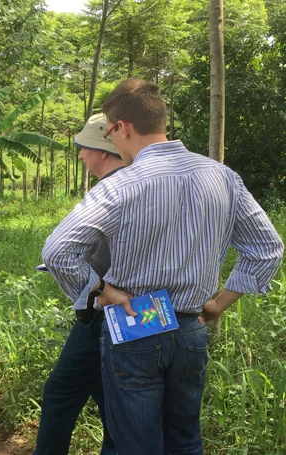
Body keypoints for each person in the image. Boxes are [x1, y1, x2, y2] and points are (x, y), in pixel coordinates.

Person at [42, 79, 283, 455]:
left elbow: (58, 251)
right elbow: (267, 248)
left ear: (121, 127)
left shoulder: (121, 185)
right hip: (190, 327)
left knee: (136, 445)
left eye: (109, 131)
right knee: (185, 440)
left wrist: (103, 292)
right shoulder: (222, 177)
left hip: (137, 320)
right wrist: (218, 304)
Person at [34, 114, 121, 455]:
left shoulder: (111, 191)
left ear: (102, 149)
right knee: (113, 400)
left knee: (61, 393)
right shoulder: (147, 185)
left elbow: (59, 252)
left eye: (84, 148)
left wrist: (95, 291)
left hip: (103, 312)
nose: (81, 156)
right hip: (145, 311)